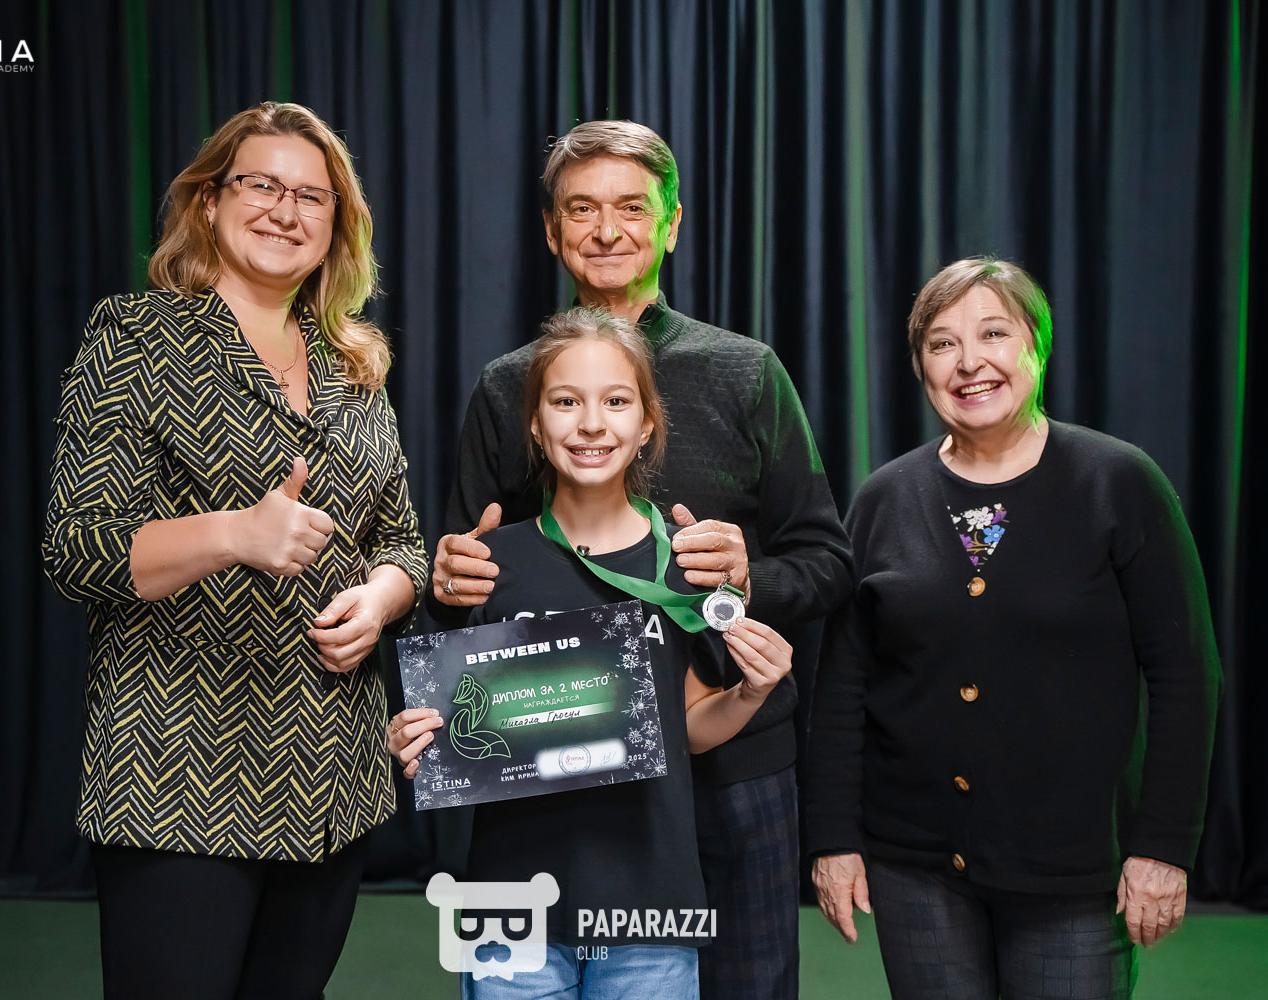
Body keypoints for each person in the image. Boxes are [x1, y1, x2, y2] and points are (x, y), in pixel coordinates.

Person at [431, 120, 853, 999]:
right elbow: (460, 584)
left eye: (632, 207)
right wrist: (446, 585)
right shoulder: (507, 386)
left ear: (671, 224)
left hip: (731, 760)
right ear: (552, 231)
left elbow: (827, 559)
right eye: (581, 209)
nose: (607, 230)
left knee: (745, 984)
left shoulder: (746, 371)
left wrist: (748, 577)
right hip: (564, 773)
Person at [42, 102, 428, 1000]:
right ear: (210, 201)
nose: (285, 211)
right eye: (261, 185)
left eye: (312, 196)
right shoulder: (135, 337)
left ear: (338, 225)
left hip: (333, 780)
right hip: (179, 776)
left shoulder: (354, 363)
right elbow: (76, 549)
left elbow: (401, 540)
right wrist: (233, 534)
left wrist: (380, 599)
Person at [805, 258, 1222, 999]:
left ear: (1037, 346)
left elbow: (1187, 675)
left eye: (994, 334)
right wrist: (834, 839)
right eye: (942, 343)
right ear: (920, 366)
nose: (970, 362)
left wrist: (1163, 847)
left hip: (1073, 869)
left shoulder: (1121, 483)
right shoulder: (883, 498)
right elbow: (842, 685)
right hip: (915, 866)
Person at [392, 307, 794, 999]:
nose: (590, 423)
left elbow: (692, 726)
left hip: (649, 902)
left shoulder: (682, 566)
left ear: (647, 426)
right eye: (564, 402)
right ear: (534, 425)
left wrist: (750, 692)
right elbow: (446, 727)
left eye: (615, 401)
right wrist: (416, 738)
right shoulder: (487, 565)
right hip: (509, 902)